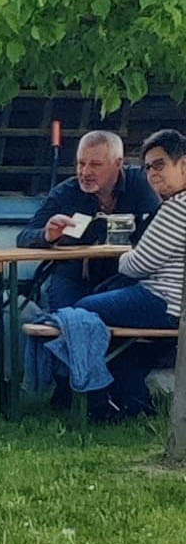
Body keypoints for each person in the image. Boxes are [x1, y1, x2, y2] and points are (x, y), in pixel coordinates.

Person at [73, 130, 186, 418]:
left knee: (81, 311)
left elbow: (138, 264)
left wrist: (123, 255)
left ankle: (96, 401)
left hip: (164, 302)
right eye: (148, 168)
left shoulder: (176, 209)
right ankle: (135, 404)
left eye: (159, 165)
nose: (152, 175)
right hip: (175, 304)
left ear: (183, 165)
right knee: (122, 344)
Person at [17, 130, 160, 308]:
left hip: (125, 277)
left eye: (95, 165)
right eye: (81, 163)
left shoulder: (141, 186)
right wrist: (47, 235)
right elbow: (23, 237)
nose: (85, 172)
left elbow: (160, 227)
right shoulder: (65, 192)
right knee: (67, 320)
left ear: (118, 163)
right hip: (73, 277)